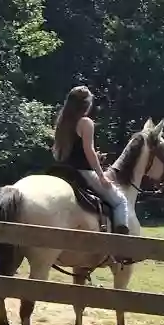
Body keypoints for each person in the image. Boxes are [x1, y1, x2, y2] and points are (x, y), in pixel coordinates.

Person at [52, 85, 130, 235]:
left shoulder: (62, 122)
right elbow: (89, 151)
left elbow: (58, 151)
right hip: (83, 173)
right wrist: (102, 176)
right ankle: (122, 246)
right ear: (87, 104)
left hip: (63, 170)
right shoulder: (85, 122)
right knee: (121, 202)